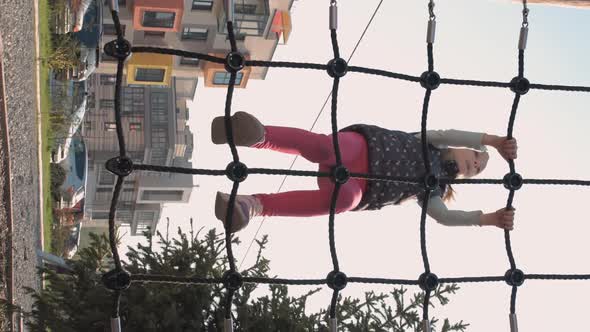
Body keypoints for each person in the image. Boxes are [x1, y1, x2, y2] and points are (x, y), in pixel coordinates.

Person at [212, 112, 518, 233]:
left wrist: (488, 219)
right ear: (462, 148)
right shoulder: (431, 143)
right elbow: (451, 131)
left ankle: (254, 205)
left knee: (342, 204)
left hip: (360, 188)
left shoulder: (432, 190)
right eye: (477, 158)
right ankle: (257, 136)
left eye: (476, 171)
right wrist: (491, 140)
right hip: (362, 147)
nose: (476, 165)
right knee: (326, 147)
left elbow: (445, 217)